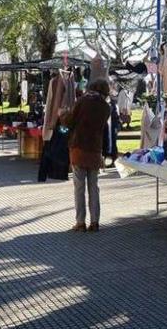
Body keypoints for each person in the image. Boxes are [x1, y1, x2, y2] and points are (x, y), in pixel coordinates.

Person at [64, 79, 111, 232]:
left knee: (79, 187)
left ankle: (80, 222)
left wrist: (62, 115)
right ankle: (95, 221)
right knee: (93, 187)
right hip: (95, 149)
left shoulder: (82, 101)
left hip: (79, 147)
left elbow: (70, 121)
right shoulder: (106, 107)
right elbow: (104, 130)